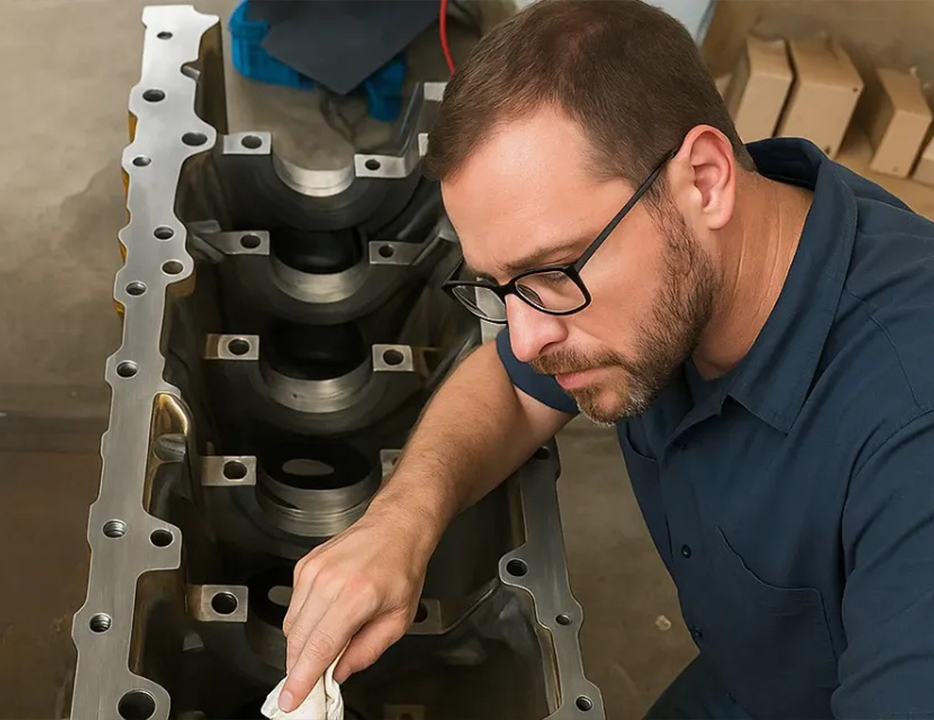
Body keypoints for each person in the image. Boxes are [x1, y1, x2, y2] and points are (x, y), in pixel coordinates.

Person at [276, 0, 934, 717]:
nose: (525, 339)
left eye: (555, 270)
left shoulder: (909, 435)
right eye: (501, 288)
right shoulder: (684, 274)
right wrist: (398, 523)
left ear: (706, 179)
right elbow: (510, 384)